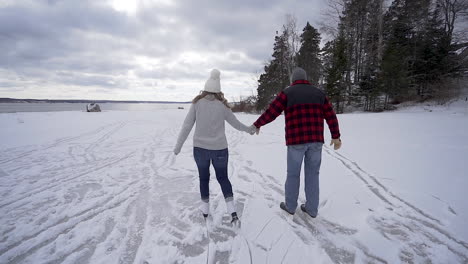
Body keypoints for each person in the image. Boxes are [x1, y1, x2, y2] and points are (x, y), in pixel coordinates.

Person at [252, 67, 342, 218]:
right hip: (316, 141)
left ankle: (290, 206)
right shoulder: (319, 93)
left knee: (293, 174)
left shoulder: (287, 93)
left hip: (296, 141)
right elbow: (330, 115)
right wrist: (336, 135)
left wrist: (258, 123)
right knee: (313, 174)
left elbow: (272, 112)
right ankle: (312, 209)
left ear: (293, 80)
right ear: (306, 79)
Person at [174, 69, 256, 223]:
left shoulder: (197, 103)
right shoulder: (222, 106)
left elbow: (187, 126)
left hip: (200, 150)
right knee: (223, 178)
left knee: (203, 178)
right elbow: (236, 124)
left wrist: (178, 146)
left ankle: (205, 208)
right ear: (218, 90)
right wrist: (250, 129)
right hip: (220, 150)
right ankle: (232, 211)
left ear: (205, 88)